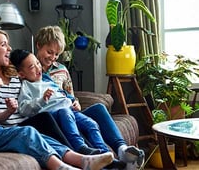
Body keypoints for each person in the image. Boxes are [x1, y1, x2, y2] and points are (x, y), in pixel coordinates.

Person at [0, 52, 114, 170]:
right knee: (27, 132)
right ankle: (60, 167)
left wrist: (8, 111)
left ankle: (82, 160)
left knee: (44, 137)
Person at [34, 25, 145, 168]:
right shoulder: (29, 69)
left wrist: (76, 103)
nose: (52, 57)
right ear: (38, 45)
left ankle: (122, 149)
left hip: (70, 110)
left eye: (56, 54)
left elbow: (70, 95)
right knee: (72, 120)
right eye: (49, 52)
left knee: (98, 108)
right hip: (55, 116)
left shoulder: (62, 69)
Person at [10, 49, 110, 155]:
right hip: (54, 114)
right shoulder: (26, 86)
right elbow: (23, 108)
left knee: (91, 124)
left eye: (38, 63)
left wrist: (73, 101)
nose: (38, 68)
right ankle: (80, 147)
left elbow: (64, 94)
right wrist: (42, 100)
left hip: (69, 110)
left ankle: (105, 153)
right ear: (21, 74)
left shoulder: (47, 80)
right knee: (65, 112)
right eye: (31, 67)